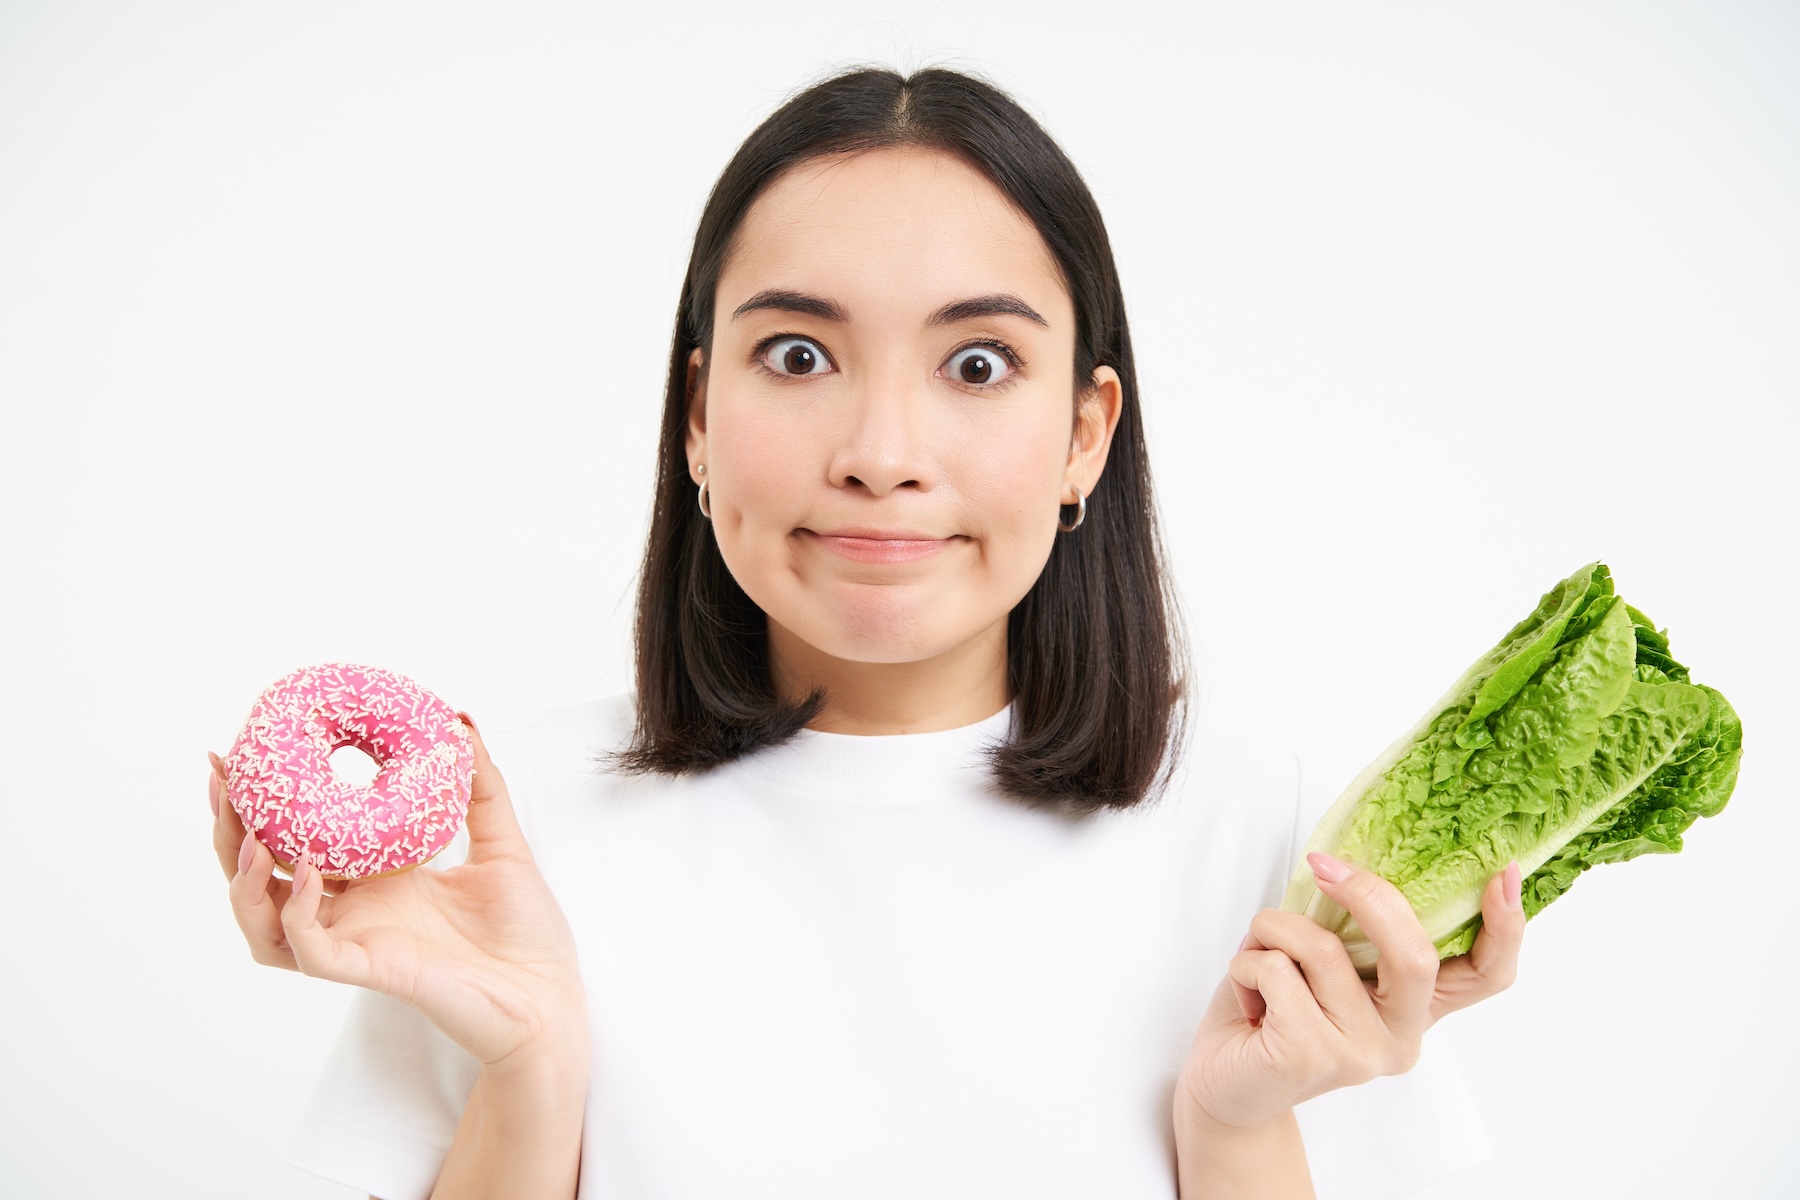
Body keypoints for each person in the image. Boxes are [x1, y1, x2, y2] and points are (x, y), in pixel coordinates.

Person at [209, 65, 1523, 1200]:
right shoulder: (514, 830)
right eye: (797, 355)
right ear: (697, 419)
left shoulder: (1253, 827)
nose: (882, 454)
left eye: (977, 365)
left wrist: (1229, 1130)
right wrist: (533, 1067)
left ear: (1085, 435)